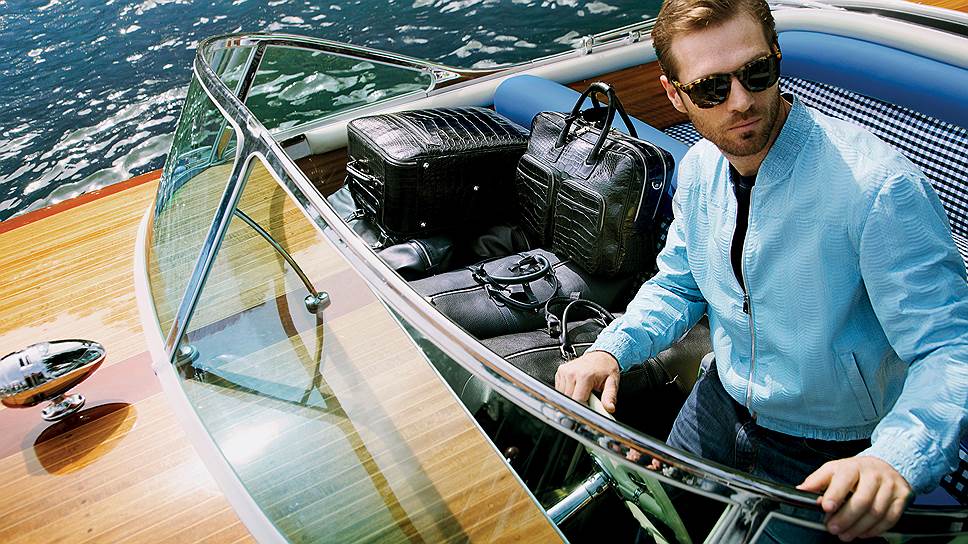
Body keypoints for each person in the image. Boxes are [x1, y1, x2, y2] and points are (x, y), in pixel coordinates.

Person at [554, 0, 968, 540]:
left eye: (756, 72)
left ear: (776, 57)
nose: (741, 101)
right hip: (718, 403)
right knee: (657, 528)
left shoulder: (877, 188)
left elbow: (949, 347)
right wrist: (611, 349)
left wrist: (894, 458)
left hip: (830, 446)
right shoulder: (700, 168)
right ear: (674, 95)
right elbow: (679, 285)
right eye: (711, 88)